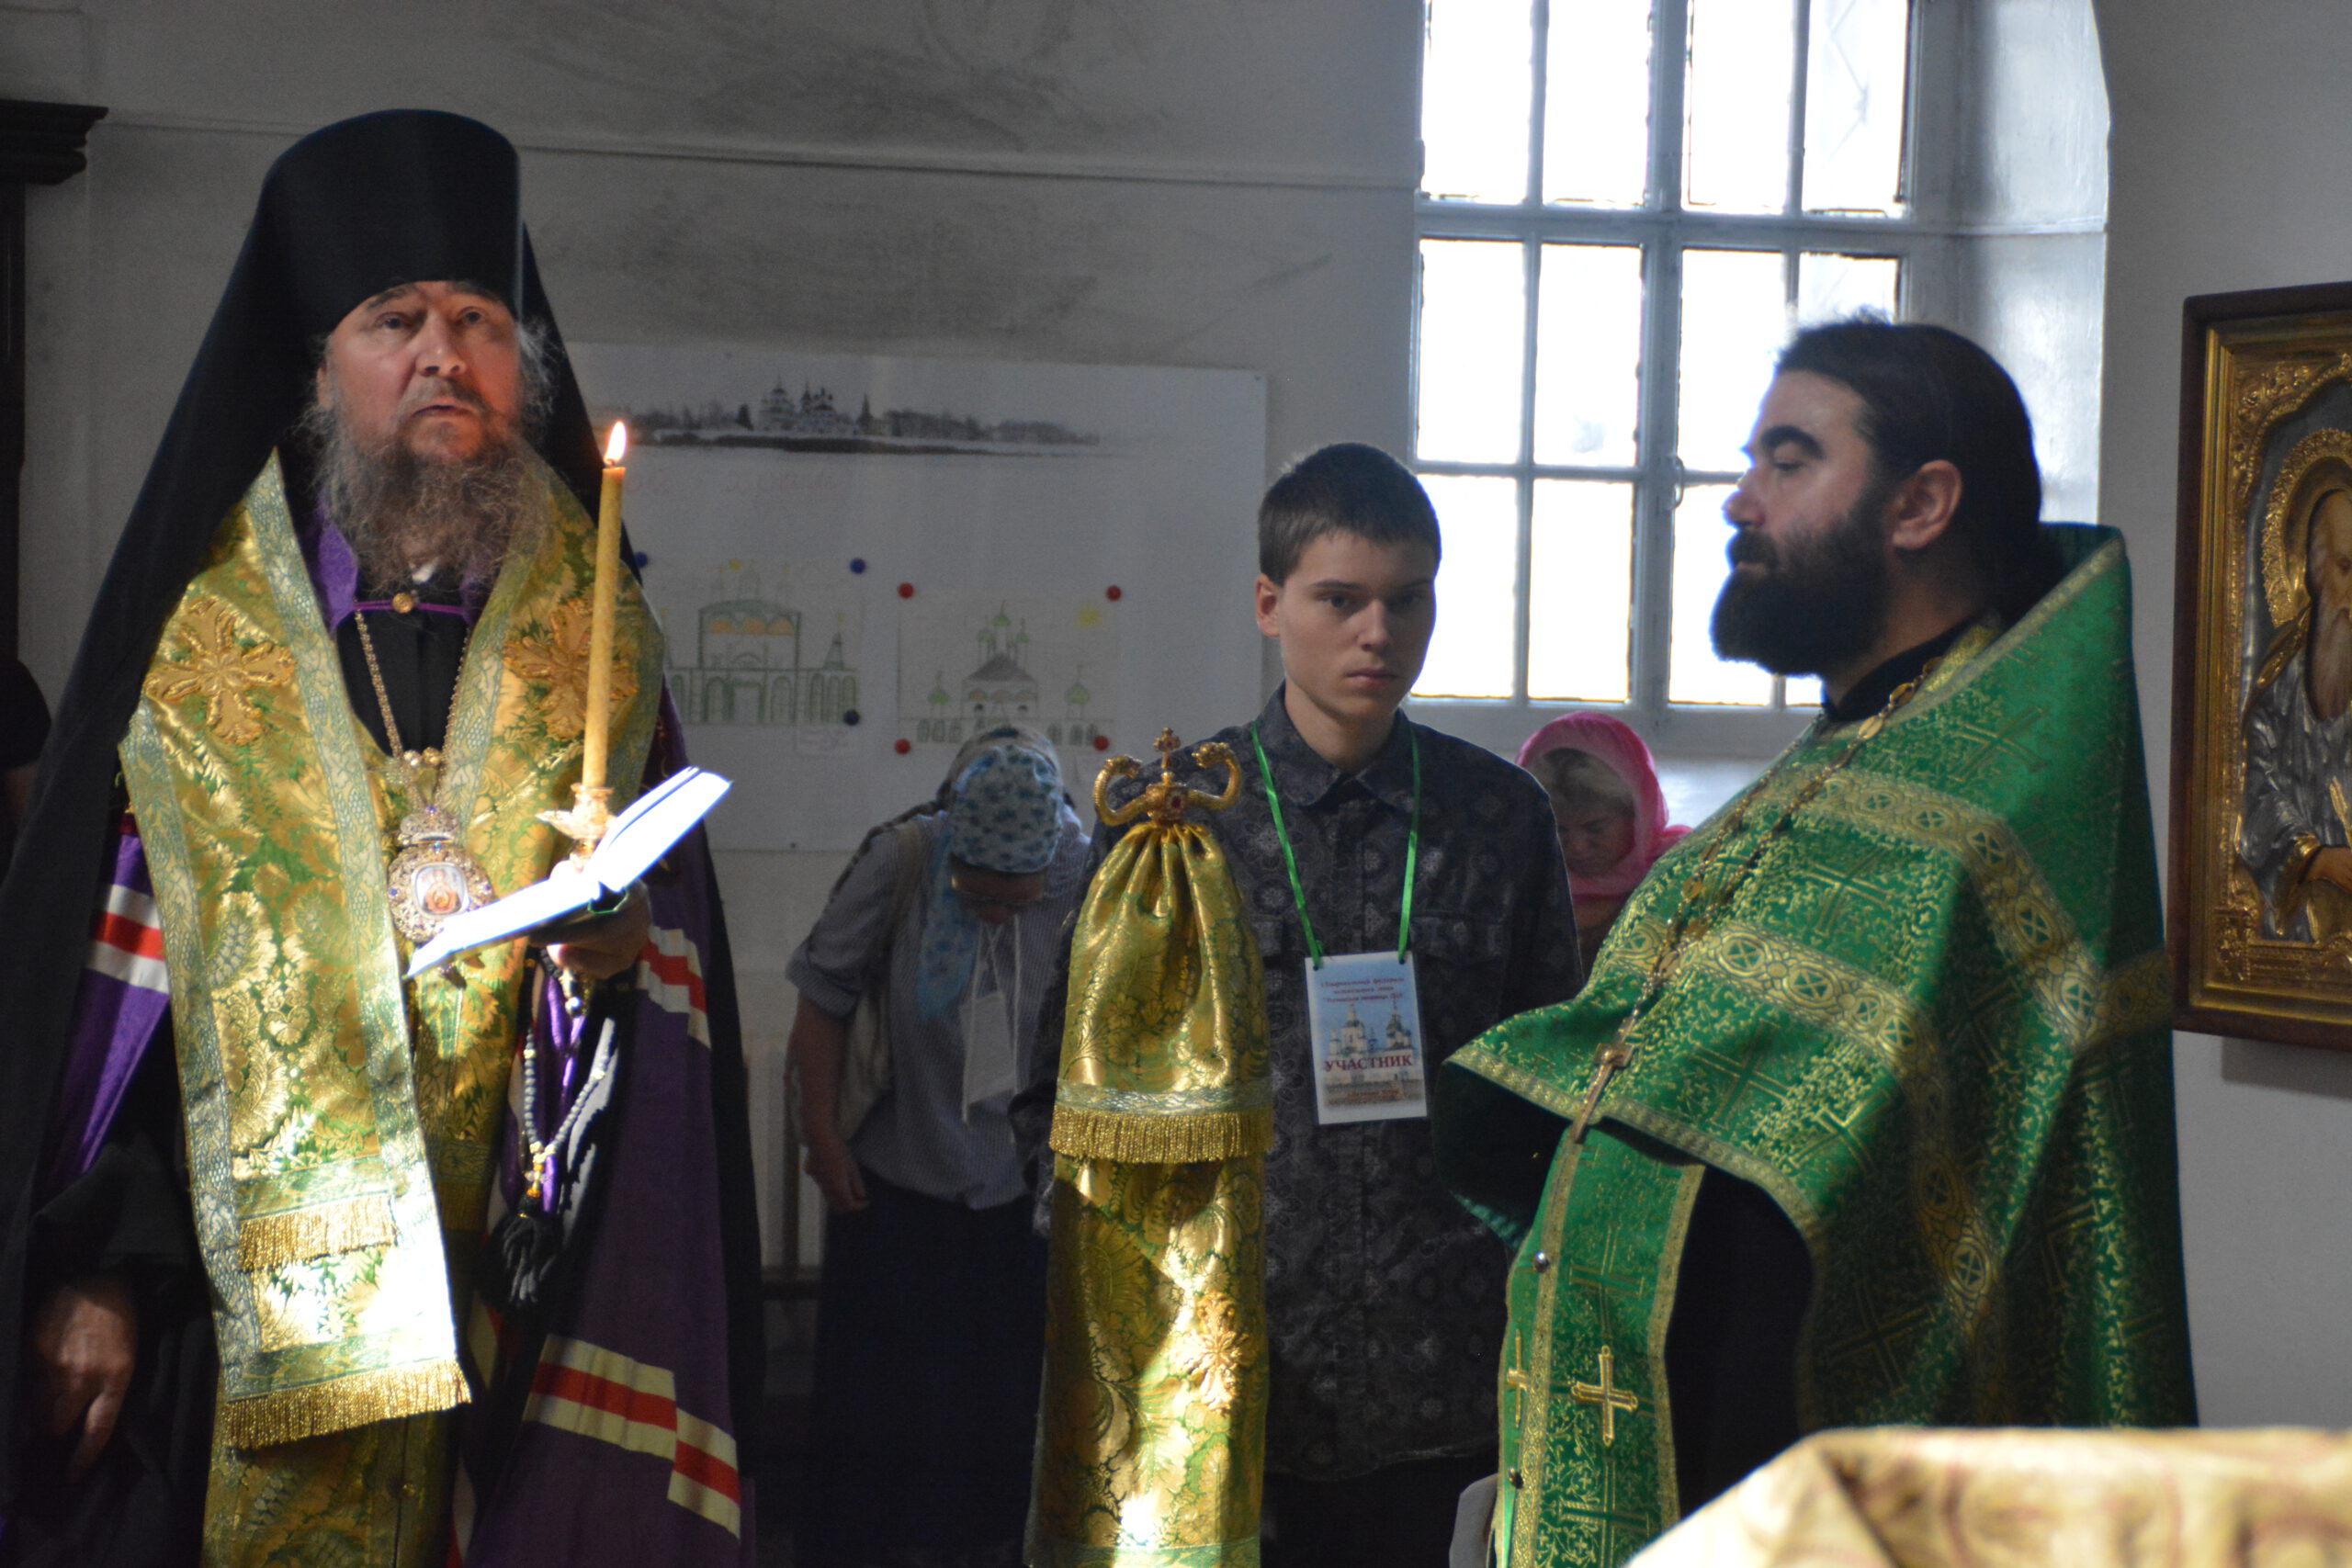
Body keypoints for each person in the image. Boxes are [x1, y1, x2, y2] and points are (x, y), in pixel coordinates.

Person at [0, 112, 763, 1566]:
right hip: (235, 1325)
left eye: (479, 321)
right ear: (318, 367)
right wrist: (95, 1266)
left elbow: (672, 979)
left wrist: (615, 959)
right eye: (395, 320)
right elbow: (115, 1008)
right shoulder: (201, 642)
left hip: (525, 1304)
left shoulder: (597, 645)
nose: (442, 356)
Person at [1434, 319, 2196, 1567]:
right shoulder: (1830, 764)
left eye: (1790, 461)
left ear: (1921, 504)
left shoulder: (1977, 824)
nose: (1741, 500)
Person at [1029, 443, 1582, 1567]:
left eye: (1406, 600)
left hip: (1448, 1364)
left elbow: (1553, 1081)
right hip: (1232, 1364)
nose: (1377, 633)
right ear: (1269, 605)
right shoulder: (1178, 822)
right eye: (1340, 600)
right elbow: (1066, 1090)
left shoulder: (1499, 817)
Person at [787, 728, 1089, 1568]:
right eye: (977, 894)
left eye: (1015, 900)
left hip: (1025, 1192)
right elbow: (822, 997)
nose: (994, 914)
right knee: (884, 1411)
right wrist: (822, 1136)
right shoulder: (906, 858)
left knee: (1004, 1408)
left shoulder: (1089, 867)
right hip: (898, 1180)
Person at [2242, 454, 2352, 939]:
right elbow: (2252, 787)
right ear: (2316, 570)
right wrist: (2315, 857)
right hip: (2304, 916)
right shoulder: (2279, 682)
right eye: (2346, 568)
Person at [1517, 714, 1688, 966]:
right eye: (1559, 829)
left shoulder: (1677, 878)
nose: (1577, 847)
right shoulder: (1518, 882)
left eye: (1595, 828)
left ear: (1637, 814)